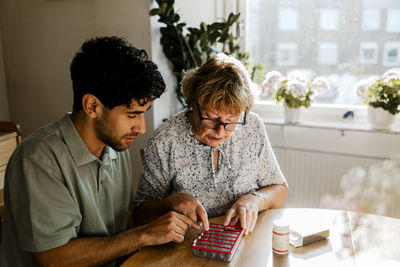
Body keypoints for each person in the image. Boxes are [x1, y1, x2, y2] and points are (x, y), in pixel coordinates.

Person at [0, 36, 200, 267]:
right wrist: (144, 235)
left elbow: (123, 225)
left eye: (143, 113)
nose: (141, 128)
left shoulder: (115, 146)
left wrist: (168, 206)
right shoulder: (38, 159)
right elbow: (54, 258)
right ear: (92, 106)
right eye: (132, 114)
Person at [133, 53, 289, 236]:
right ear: (194, 103)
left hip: (244, 239)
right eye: (212, 118)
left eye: (231, 120)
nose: (220, 131)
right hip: (189, 247)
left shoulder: (251, 126)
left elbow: (279, 189)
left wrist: (255, 200)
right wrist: (169, 204)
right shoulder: (165, 140)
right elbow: (139, 215)